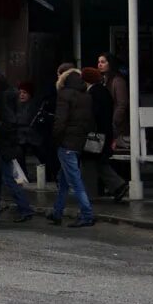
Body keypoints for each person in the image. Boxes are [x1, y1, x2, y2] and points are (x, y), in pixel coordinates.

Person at [0, 74, 35, 223]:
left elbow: (8, 123)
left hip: (4, 145)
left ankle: (25, 209)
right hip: (6, 144)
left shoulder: (2, 101)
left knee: (7, 179)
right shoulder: (9, 98)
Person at [47, 66, 96, 227]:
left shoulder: (64, 95)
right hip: (79, 141)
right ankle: (57, 211)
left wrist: (56, 139)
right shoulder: (86, 96)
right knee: (64, 179)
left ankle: (87, 214)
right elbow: (89, 120)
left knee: (74, 180)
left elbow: (60, 121)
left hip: (66, 142)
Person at [83, 67, 129, 202]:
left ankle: (90, 194)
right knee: (98, 161)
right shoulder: (102, 91)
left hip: (96, 135)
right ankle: (118, 186)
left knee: (89, 161)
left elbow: (93, 116)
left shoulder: (93, 93)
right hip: (103, 133)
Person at [98, 53, 130, 152]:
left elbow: (122, 104)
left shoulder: (118, 81)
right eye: (98, 62)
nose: (99, 64)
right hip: (105, 125)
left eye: (103, 62)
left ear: (110, 64)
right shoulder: (103, 80)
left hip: (116, 128)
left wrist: (114, 122)